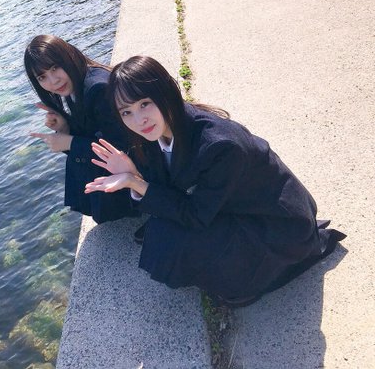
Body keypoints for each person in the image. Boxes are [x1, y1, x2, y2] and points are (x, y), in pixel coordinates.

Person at [85, 55, 345, 306]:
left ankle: (247, 284)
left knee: (173, 238)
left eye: (144, 104)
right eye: (126, 112)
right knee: (163, 230)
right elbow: (169, 186)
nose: (138, 119)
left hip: (279, 226)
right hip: (241, 208)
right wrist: (134, 173)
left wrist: (135, 182)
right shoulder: (160, 130)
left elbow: (195, 216)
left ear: (165, 92)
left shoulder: (220, 145)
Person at [24, 34, 137, 224]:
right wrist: (65, 127)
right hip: (131, 158)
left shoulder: (97, 88)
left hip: (144, 163)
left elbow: (120, 146)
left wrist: (69, 142)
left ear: (68, 56)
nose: (53, 81)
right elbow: (92, 132)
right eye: (42, 77)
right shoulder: (77, 84)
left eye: (55, 67)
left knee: (79, 154)